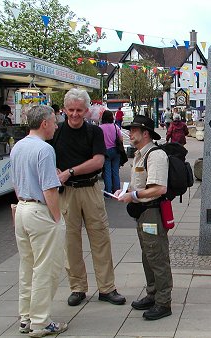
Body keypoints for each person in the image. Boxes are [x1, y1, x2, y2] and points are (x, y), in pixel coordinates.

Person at [52, 88, 125, 307]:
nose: (74, 114)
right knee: (70, 242)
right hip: (67, 193)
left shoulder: (94, 132)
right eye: (71, 110)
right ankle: (77, 288)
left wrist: (70, 171)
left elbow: (98, 161)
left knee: (100, 238)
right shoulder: (56, 131)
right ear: (64, 109)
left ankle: (107, 288)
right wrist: (56, 170)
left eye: (79, 110)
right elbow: (48, 157)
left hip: (91, 189)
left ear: (86, 111)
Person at [10, 105, 68, 336]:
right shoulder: (44, 149)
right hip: (39, 212)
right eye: (54, 122)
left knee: (27, 267)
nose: (56, 125)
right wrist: (56, 218)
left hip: (23, 208)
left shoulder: (18, 147)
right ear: (44, 123)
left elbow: (16, 182)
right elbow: (49, 189)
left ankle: (26, 317)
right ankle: (40, 322)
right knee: (46, 269)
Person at [116, 115, 173, 321]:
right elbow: (141, 184)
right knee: (147, 255)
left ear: (145, 133)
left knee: (157, 256)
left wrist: (133, 196)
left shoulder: (155, 155)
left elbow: (159, 188)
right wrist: (125, 191)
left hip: (152, 212)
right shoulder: (141, 154)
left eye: (133, 130)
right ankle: (152, 294)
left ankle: (163, 302)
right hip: (143, 212)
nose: (129, 133)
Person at [99, 110, 123, 196]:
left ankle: (108, 192)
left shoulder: (100, 128)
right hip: (116, 151)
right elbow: (121, 139)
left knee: (107, 172)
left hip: (105, 151)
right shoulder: (115, 126)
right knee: (115, 171)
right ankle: (117, 190)